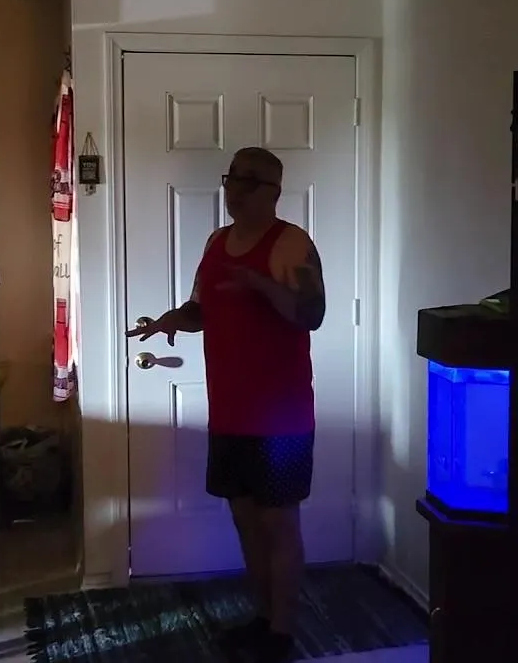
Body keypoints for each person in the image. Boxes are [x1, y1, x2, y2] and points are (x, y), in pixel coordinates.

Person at [127, 147, 324, 662]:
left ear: (273, 192)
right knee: (245, 520)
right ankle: (262, 619)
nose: (233, 188)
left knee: (278, 523)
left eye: (247, 181)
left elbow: (312, 314)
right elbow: (202, 309)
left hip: (282, 418)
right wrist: (171, 320)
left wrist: (260, 284)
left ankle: (282, 634)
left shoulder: (292, 244)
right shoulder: (216, 242)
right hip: (231, 412)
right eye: (231, 178)